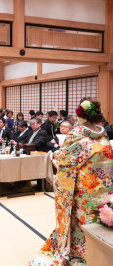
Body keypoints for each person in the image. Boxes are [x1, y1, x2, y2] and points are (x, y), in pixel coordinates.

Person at [28, 98, 113, 265]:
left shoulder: (77, 134)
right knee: (101, 219)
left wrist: (55, 156)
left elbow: (65, 161)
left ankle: (82, 253)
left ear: (80, 116)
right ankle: (99, 255)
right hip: (106, 187)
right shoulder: (102, 134)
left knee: (83, 221)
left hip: (85, 189)